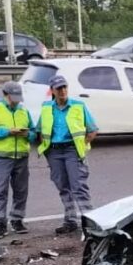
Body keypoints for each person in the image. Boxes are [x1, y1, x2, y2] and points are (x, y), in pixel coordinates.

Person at [36, 75, 98, 235]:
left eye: (65, 87)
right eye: (59, 88)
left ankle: (91, 224)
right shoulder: (47, 108)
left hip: (72, 150)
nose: (63, 91)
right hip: (54, 152)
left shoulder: (78, 106)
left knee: (79, 188)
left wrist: (80, 147)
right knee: (63, 187)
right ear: (52, 91)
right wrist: (47, 149)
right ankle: (70, 220)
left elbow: (92, 130)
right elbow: (39, 129)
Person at [0, 81, 36, 239]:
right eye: (14, 98)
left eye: (18, 98)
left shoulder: (23, 110)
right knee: (0, 190)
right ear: (5, 95)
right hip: (2, 157)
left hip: (21, 157)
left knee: (21, 191)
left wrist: (27, 134)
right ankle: (0, 223)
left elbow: (33, 132)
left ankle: (17, 220)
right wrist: (7, 131)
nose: (17, 101)